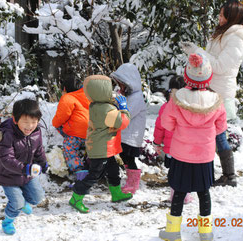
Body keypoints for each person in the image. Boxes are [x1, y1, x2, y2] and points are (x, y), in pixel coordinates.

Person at [181, 0, 243, 187]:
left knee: (217, 134)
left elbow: (221, 66)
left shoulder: (236, 38)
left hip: (220, 92)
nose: (219, 18)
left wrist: (198, 52)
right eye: (220, 14)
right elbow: (212, 60)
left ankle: (228, 175)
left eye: (223, 15)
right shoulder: (224, 33)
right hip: (211, 88)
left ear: (232, 17)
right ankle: (225, 175)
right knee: (213, 134)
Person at [159, 53, 227, 241]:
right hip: (204, 155)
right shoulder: (216, 101)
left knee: (179, 191)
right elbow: (221, 127)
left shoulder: (177, 98)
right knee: (203, 192)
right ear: (208, 78)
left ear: (187, 76)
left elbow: (167, 123)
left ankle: (173, 231)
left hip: (181, 154)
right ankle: (205, 232)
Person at [69, 75, 133, 213]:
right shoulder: (106, 110)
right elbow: (122, 122)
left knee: (113, 170)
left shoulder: (98, 105)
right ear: (102, 92)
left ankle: (116, 194)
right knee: (94, 175)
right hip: (101, 149)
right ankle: (76, 197)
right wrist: (124, 109)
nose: (112, 93)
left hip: (104, 148)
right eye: (109, 90)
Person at [0, 98, 48, 235]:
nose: (30, 126)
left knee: (37, 197)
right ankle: (8, 221)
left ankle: (23, 203)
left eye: (34, 122)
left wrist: (42, 163)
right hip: (8, 175)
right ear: (15, 120)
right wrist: (26, 169)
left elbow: (39, 149)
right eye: (26, 122)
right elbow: (6, 158)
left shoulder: (36, 131)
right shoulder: (7, 134)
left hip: (26, 173)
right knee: (16, 203)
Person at [153, 76, 193, 204]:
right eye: (172, 92)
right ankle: (180, 195)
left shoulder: (168, 107)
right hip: (178, 149)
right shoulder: (187, 108)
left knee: (176, 173)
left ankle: (177, 196)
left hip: (176, 149)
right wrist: (157, 142)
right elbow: (160, 127)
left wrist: (157, 142)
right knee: (180, 173)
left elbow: (160, 127)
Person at [110, 63, 146, 194]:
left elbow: (127, 113)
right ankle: (131, 180)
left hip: (131, 136)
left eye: (122, 84)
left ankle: (133, 183)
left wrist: (120, 105)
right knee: (125, 157)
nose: (120, 86)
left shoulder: (136, 97)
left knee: (129, 159)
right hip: (125, 134)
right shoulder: (129, 95)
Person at [52, 77, 90, 180]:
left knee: (69, 148)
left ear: (65, 88)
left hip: (76, 134)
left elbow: (60, 118)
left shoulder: (68, 97)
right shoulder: (89, 94)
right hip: (92, 133)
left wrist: (54, 123)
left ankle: (79, 170)